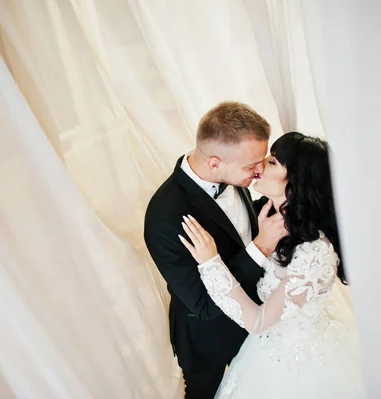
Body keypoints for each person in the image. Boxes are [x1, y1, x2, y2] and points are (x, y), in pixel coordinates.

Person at [179, 132, 364, 398]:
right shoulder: (274, 220)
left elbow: (259, 322)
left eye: (273, 161)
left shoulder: (315, 252)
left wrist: (211, 263)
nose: (261, 164)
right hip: (260, 353)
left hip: (298, 368)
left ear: (297, 179)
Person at [144, 102, 289, 399]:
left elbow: (236, 229)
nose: (260, 171)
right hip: (210, 340)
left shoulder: (233, 174)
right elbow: (204, 305)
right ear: (214, 163)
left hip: (262, 327)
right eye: (252, 166)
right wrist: (261, 246)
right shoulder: (165, 216)